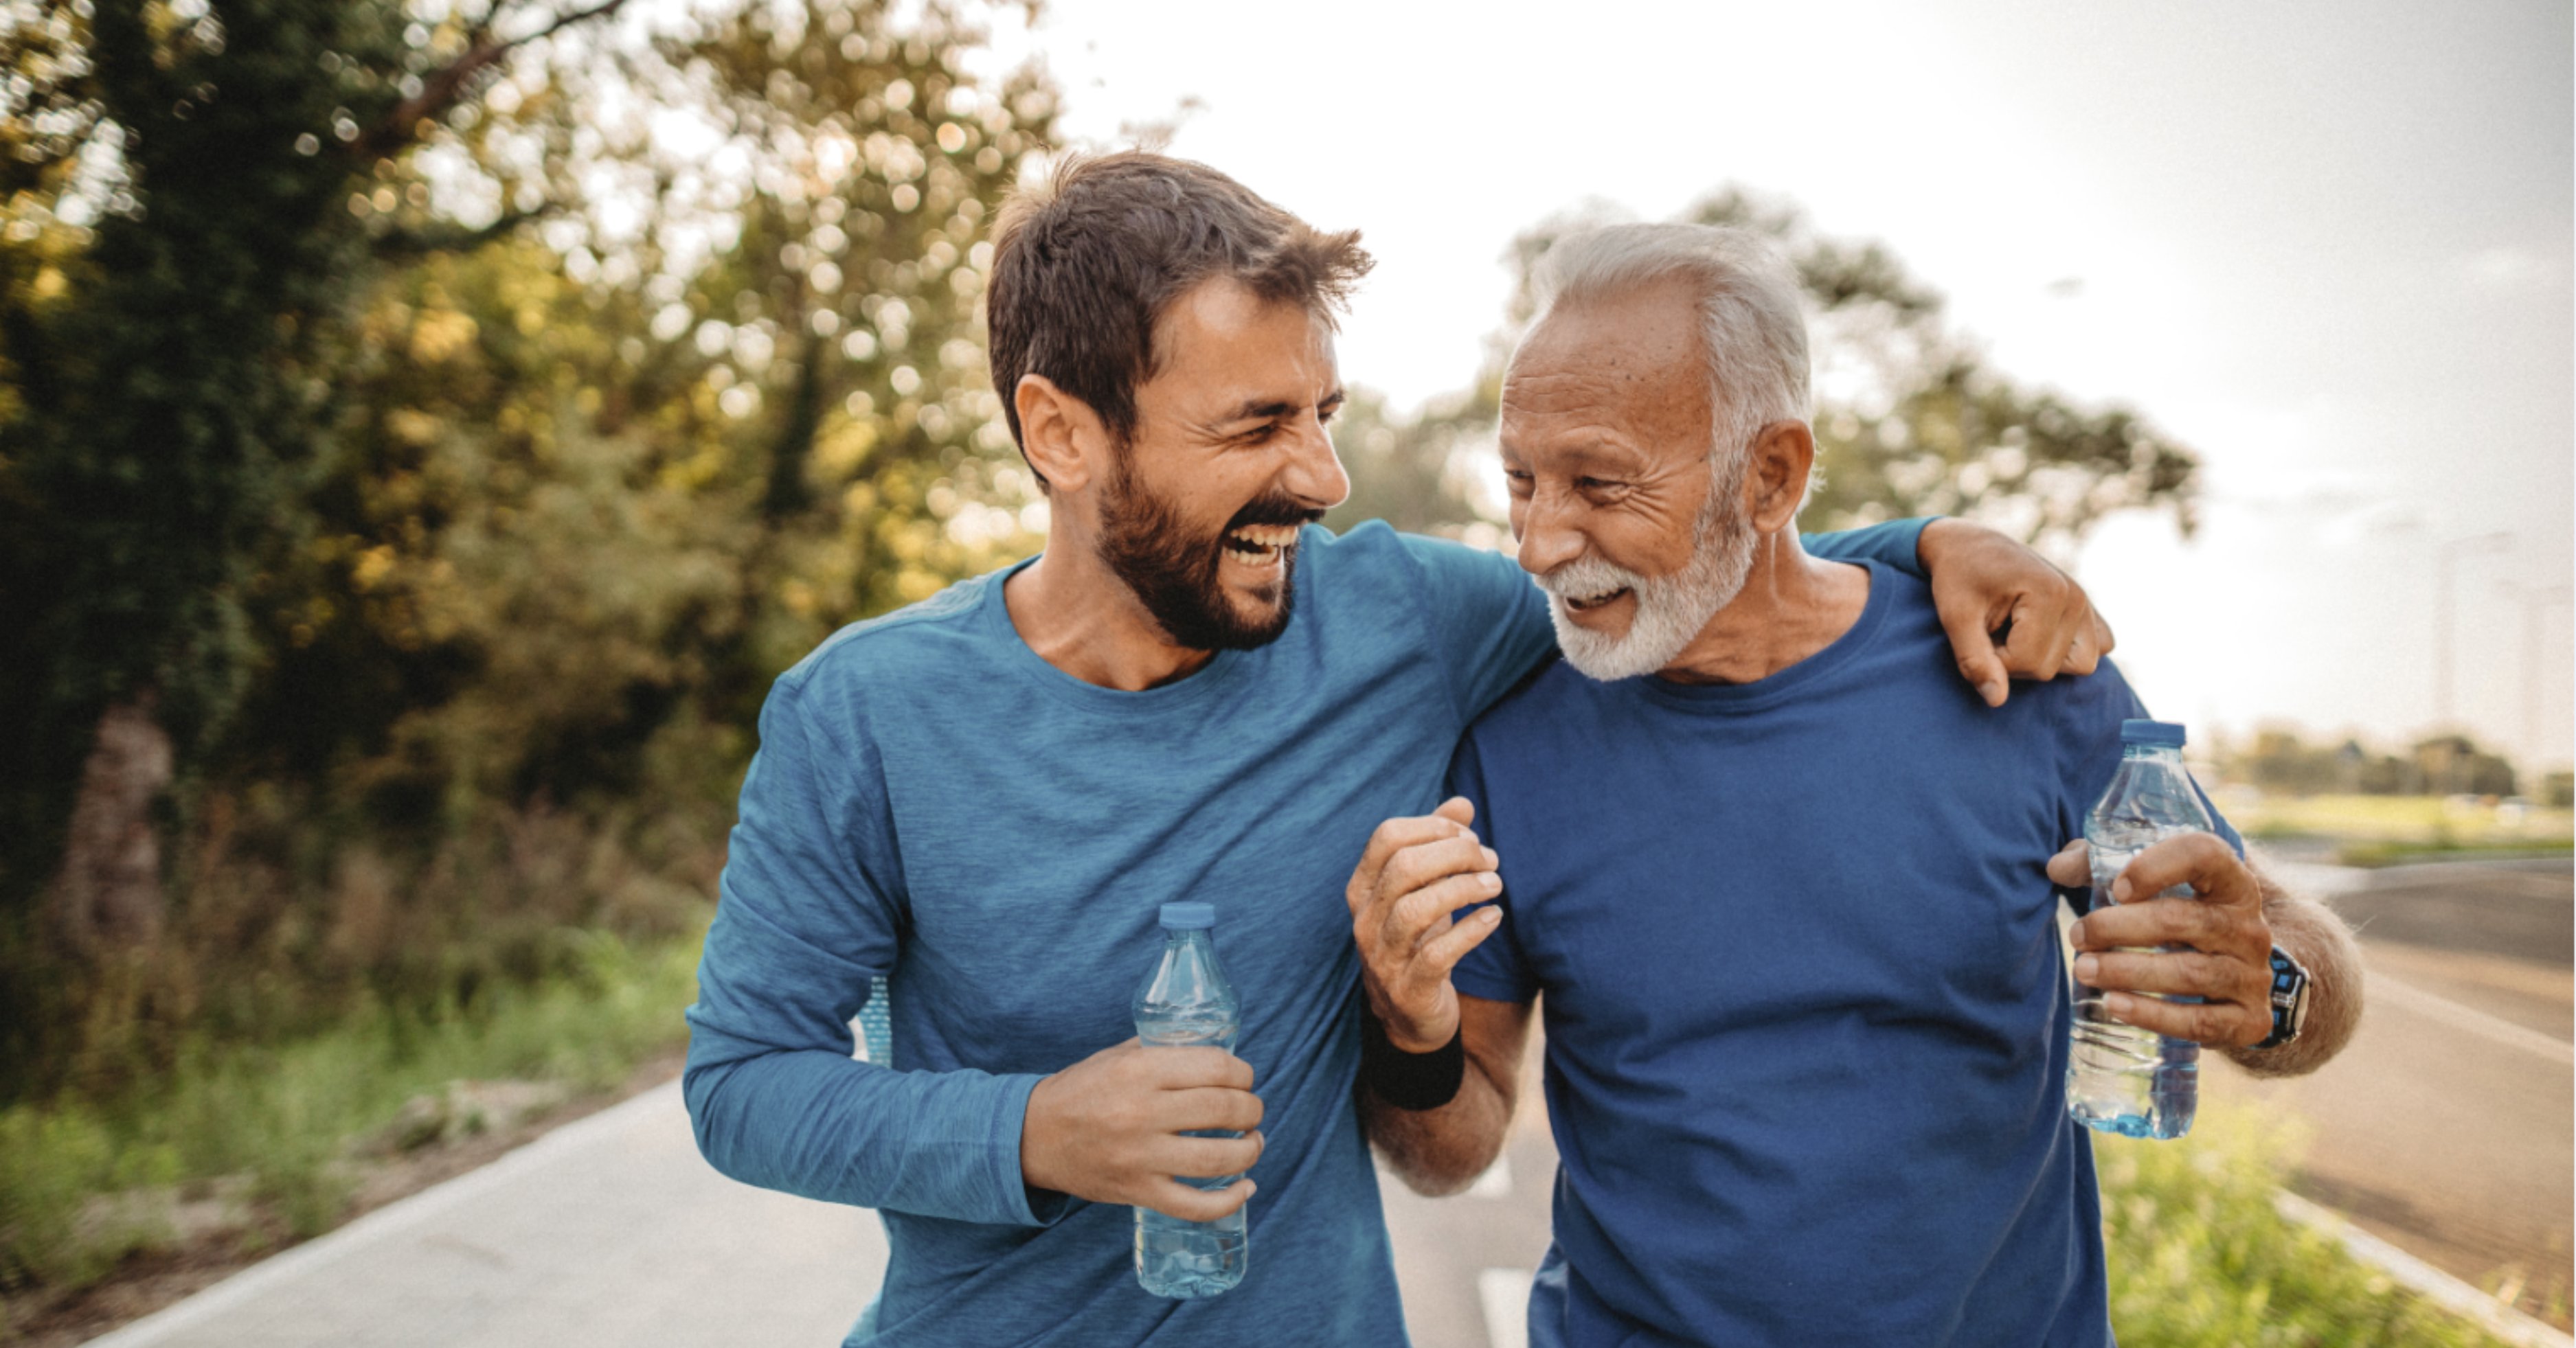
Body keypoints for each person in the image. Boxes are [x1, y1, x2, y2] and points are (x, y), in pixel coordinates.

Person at [683, 154, 2114, 1346]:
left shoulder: (1407, 624)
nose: (1318, 475)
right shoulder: (862, 714)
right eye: (1256, 426)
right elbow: (743, 1084)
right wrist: (1033, 1130)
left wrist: (1929, 551)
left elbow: (1696, 578)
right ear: (1061, 432)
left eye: (1323, 414)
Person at [1347, 222, 2363, 1348]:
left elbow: (2298, 978)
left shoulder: (2018, 674)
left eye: (1598, 482)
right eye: (1521, 481)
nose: (1538, 542)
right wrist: (1409, 1025)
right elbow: (1451, 1153)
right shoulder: (1510, 739)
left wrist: (2270, 984)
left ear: (1769, 475)